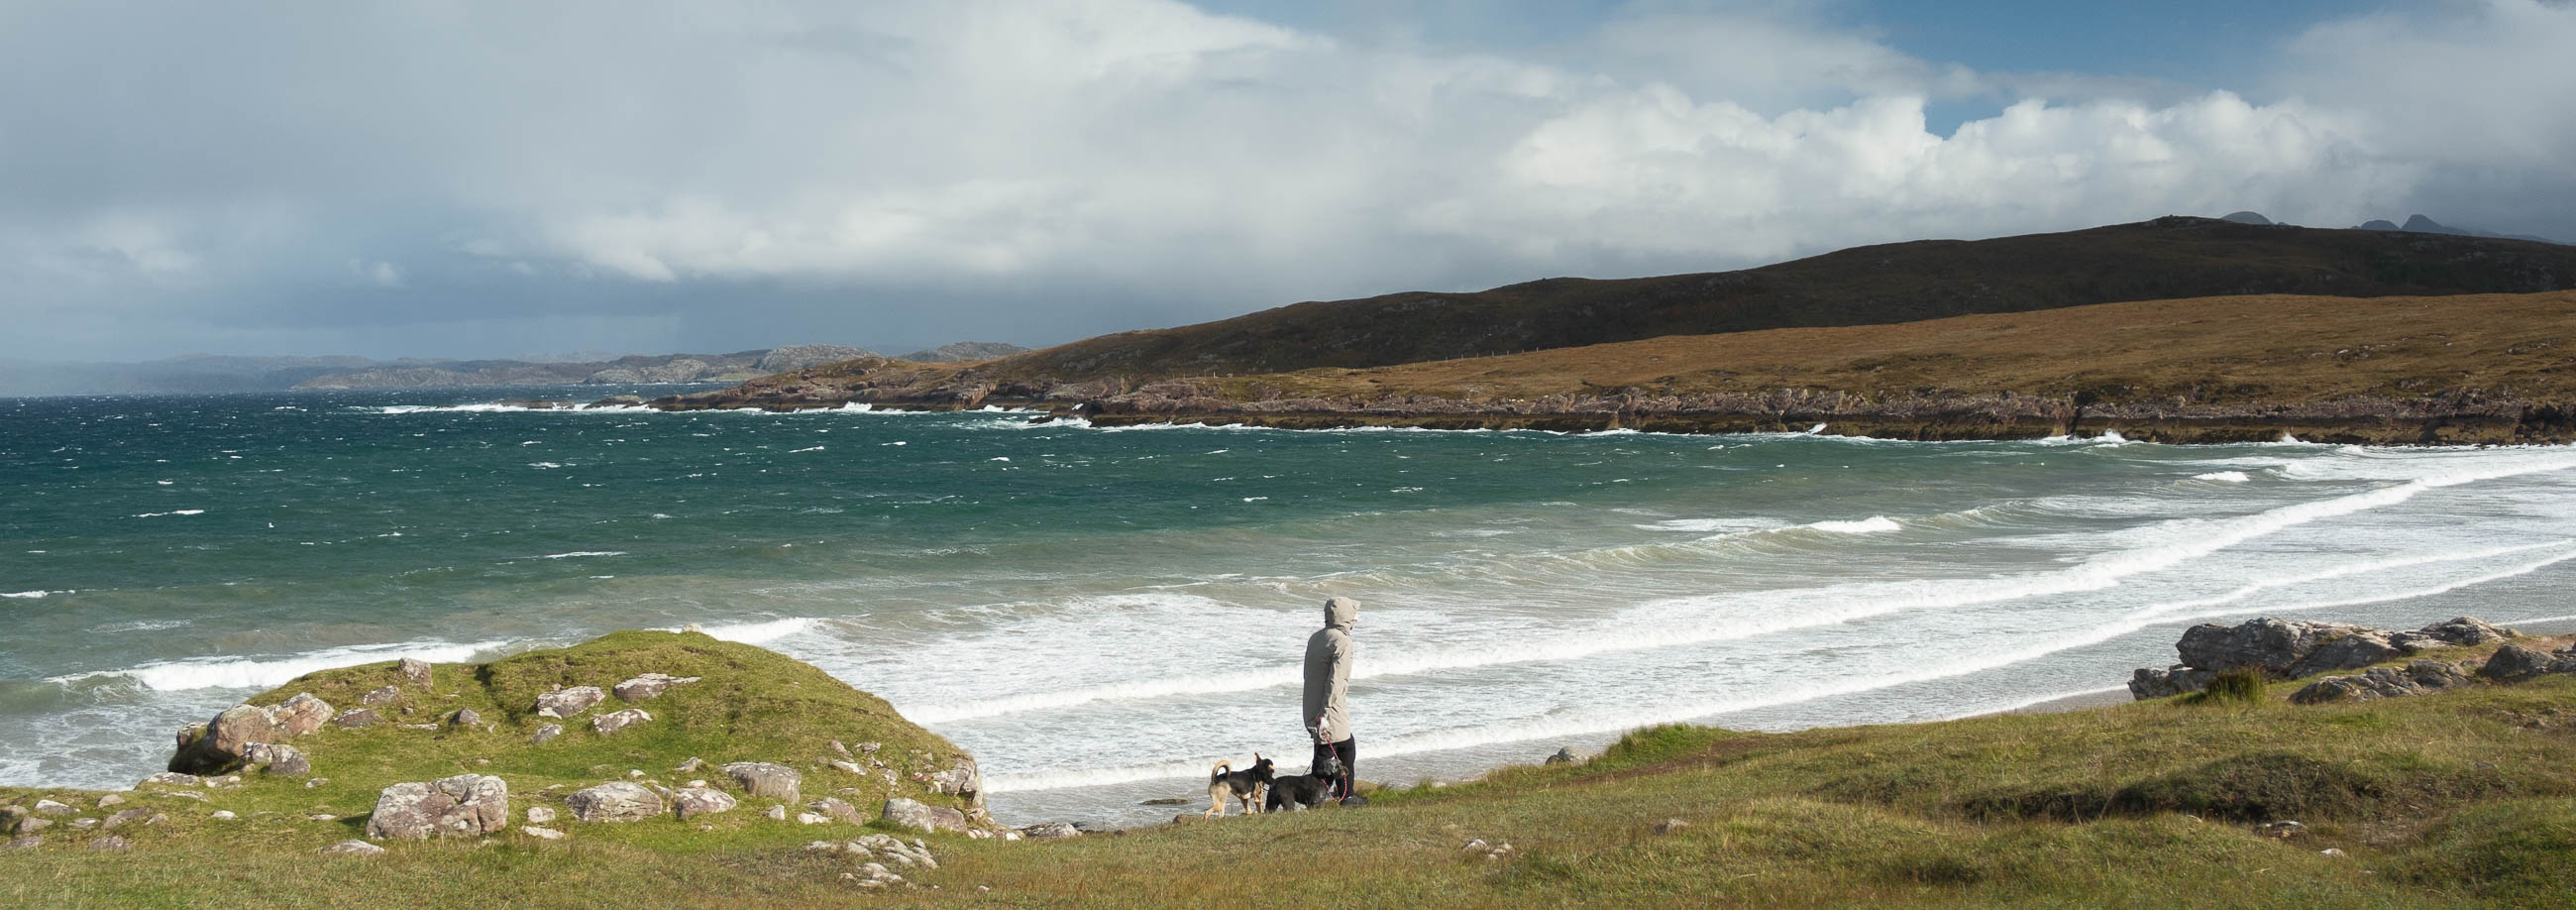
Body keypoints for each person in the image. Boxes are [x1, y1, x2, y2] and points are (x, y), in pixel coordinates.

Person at [1303, 596, 1358, 802]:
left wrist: (1315, 712)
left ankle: (1318, 795)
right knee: (1341, 748)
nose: (1355, 621)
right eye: (1353, 617)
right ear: (1344, 617)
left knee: (1326, 748)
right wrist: (1324, 714)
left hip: (1312, 704)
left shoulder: (1316, 637)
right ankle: (1345, 796)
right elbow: (1335, 681)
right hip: (1329, 708)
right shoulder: (1342, 642)